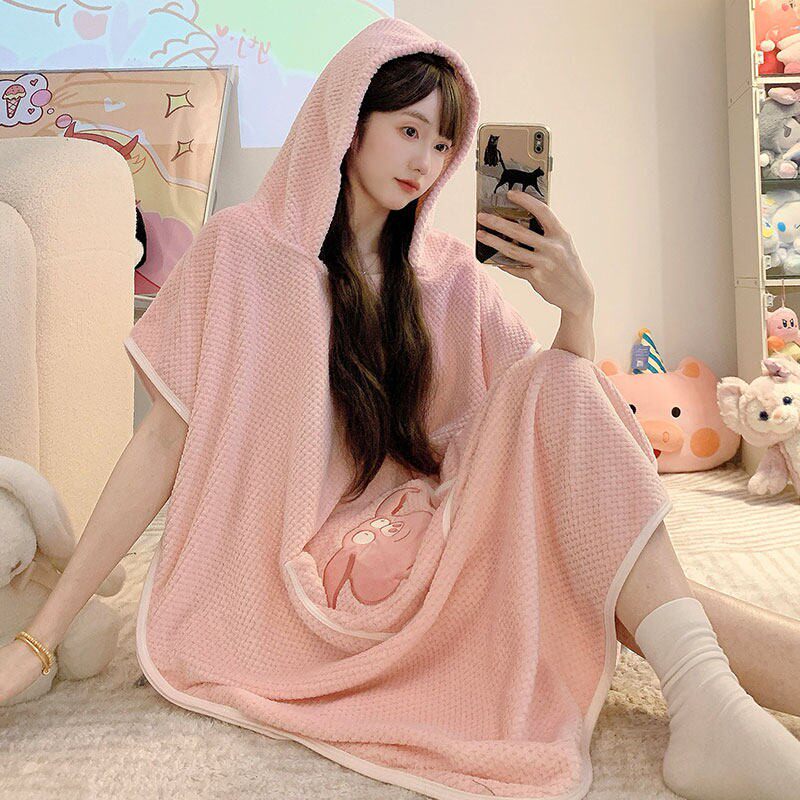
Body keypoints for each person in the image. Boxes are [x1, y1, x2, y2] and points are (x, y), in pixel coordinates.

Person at [2, 17, 799, 800]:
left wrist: (577, 311)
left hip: (444, 522)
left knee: (577, 445)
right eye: (408, 130)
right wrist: (40, 639)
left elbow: (560, 436)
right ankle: (711, 705)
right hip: (335, 572)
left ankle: (709, 703)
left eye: (444, 144)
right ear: (349, 122)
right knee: (603, 563)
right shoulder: (243, 253)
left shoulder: (449, 276)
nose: (426, 160)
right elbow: (159, 446)